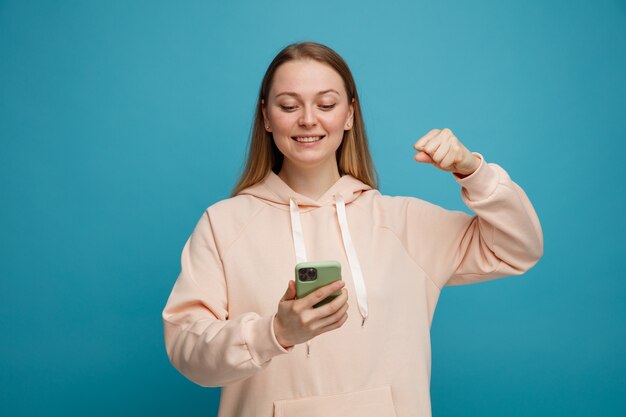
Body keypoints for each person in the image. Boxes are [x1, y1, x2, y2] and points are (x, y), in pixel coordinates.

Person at [162, 41, 543, 417]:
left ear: (349, 114)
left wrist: (472, 171)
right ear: (266, 117)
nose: (308, 119)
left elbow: (516, 248)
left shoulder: (403, 222)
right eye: (289, 105)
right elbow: (186, 348)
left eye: (326, 104)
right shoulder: (223, 224)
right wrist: (275, 334)